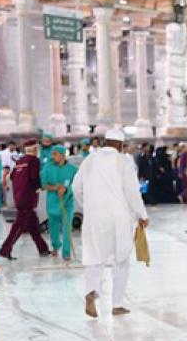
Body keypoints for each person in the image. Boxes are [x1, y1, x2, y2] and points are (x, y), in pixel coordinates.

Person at [72, 129, 148, 318]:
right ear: (120, 145)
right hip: (118, 216)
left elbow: (76, 187)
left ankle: (91, 292)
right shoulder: (123, 161)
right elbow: (132, 192)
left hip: (94, 217)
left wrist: (88, 206)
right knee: (121, 259)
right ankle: (117, 304)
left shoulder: (90, 159)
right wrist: (142, 214)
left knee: (94, 256)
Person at [0, 139, 50, 260]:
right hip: (28, 198)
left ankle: (43, 249)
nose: (38, 150)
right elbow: (34, 177)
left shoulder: (20, 161)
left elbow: (12, 176)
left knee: (33, 226)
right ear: (34, 148)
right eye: (37, 148)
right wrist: (39, 187)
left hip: (19, 196)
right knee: (18, 226)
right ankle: (5, 250)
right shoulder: (34, 160)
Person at [40, 145, 77, 262]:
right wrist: (56, 188)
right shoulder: (47, 167)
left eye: (55, 154)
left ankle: (66, 253)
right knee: (54, 228)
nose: (53, 156)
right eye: (52, 154)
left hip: (67, 203)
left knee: (67, 228)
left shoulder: (73, 170)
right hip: (52, 203)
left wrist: (66, 189)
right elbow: (44, 184)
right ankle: (55, 246)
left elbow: (77, 185)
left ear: (62, 155)